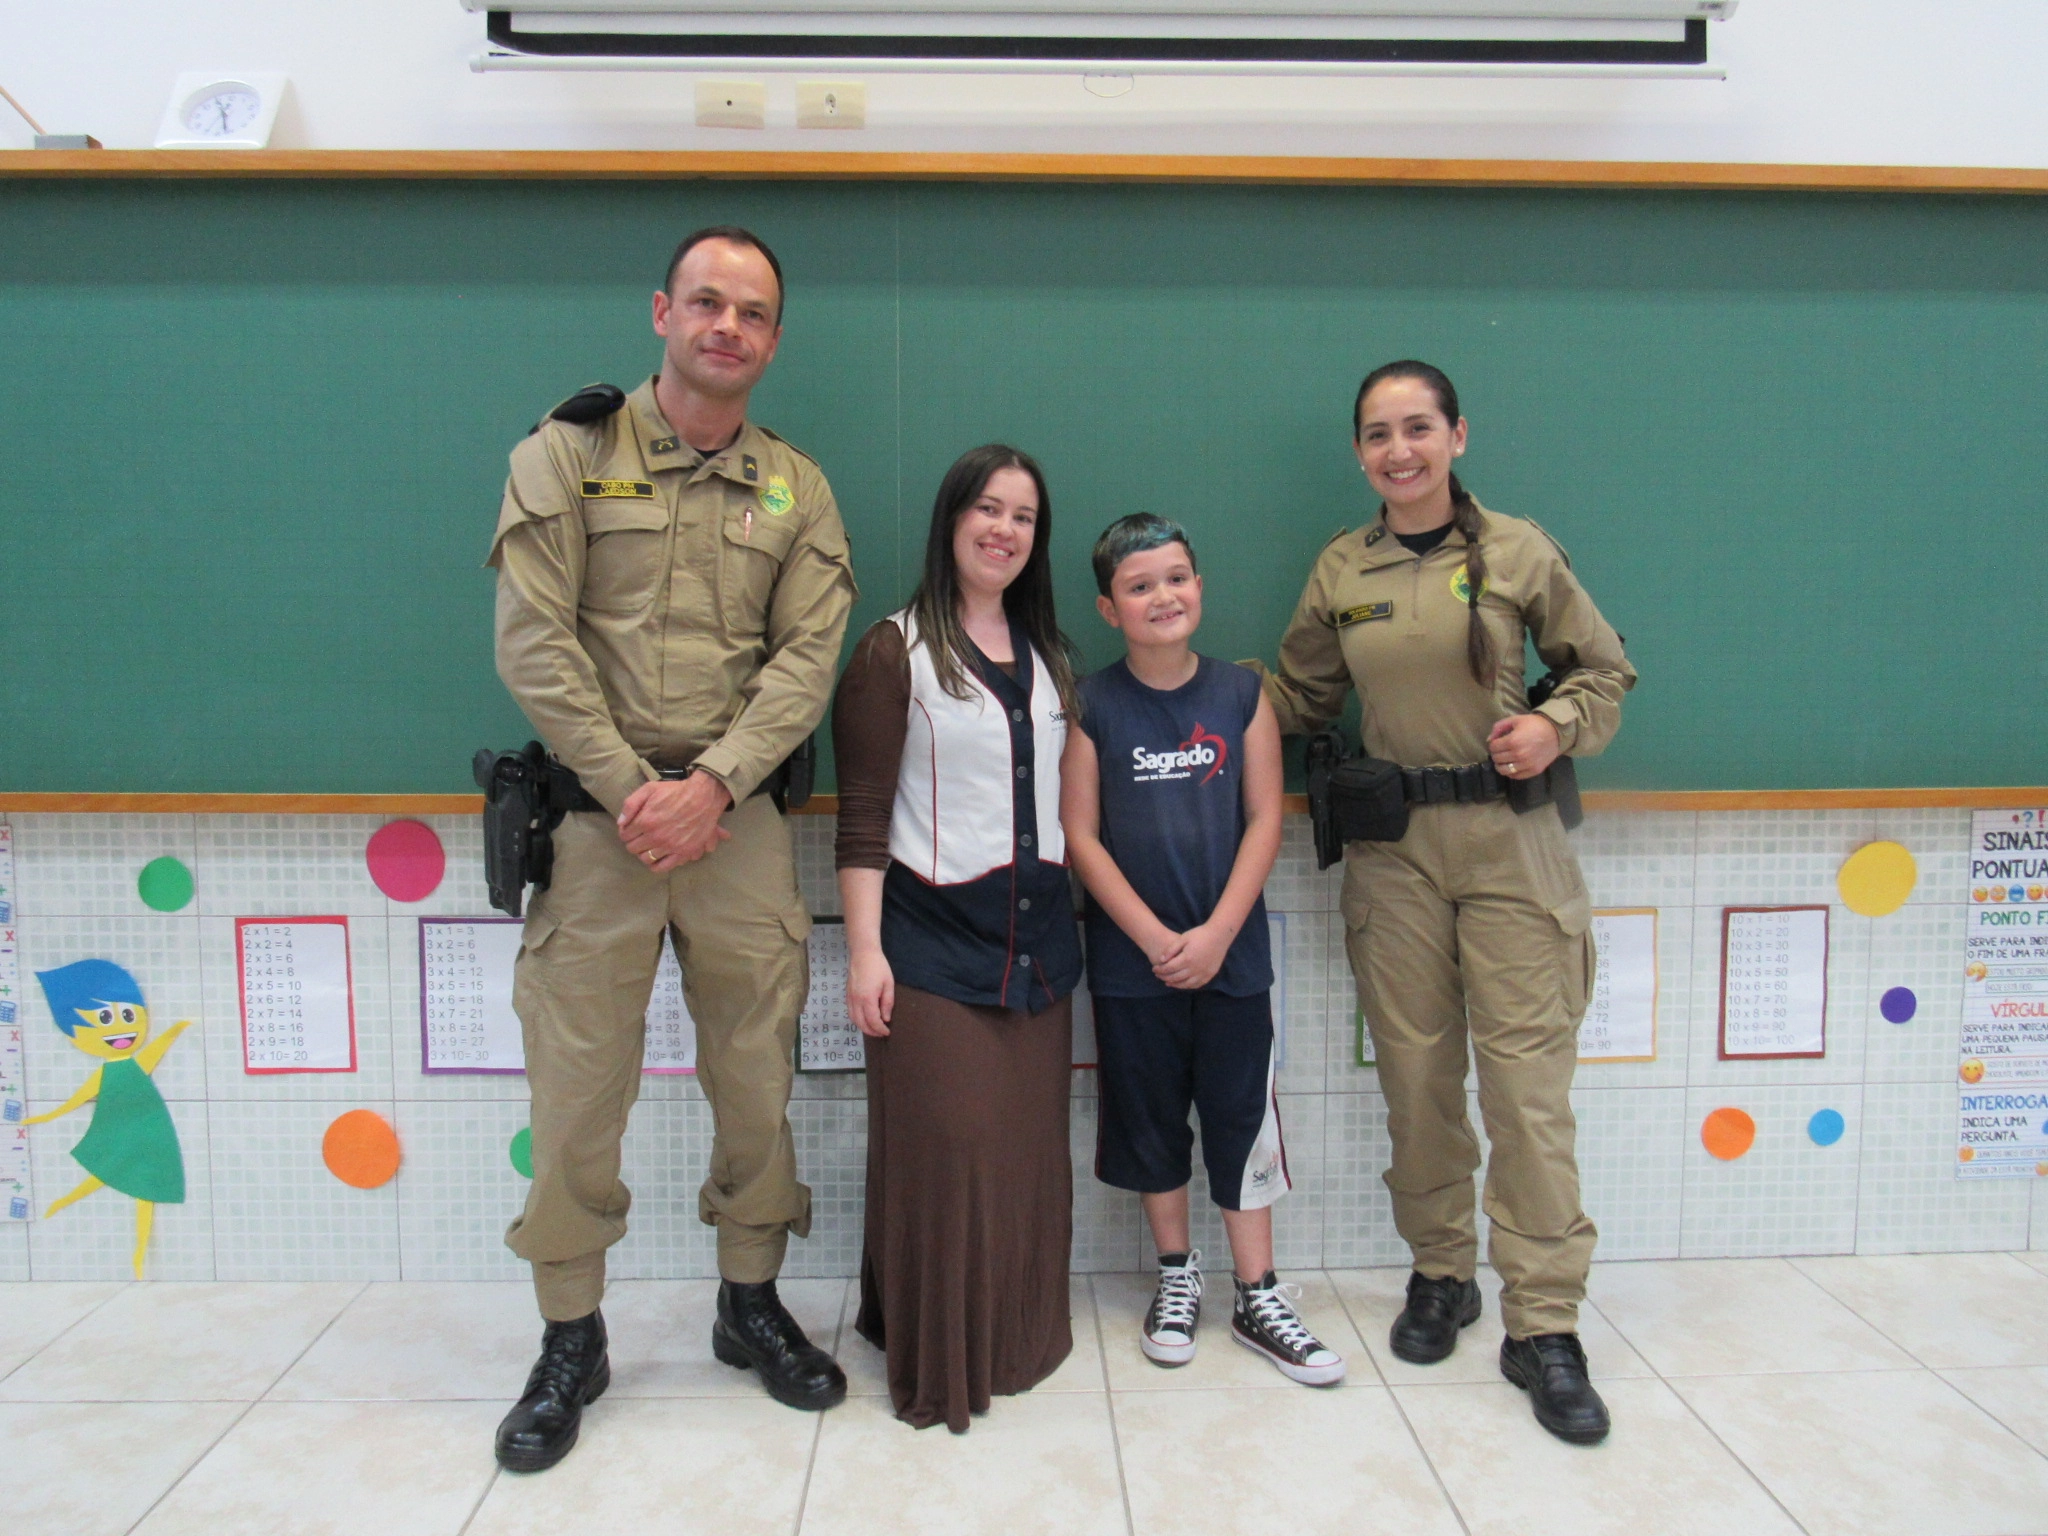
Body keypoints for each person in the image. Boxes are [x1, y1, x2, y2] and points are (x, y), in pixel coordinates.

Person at [487, 225, 856, 1471]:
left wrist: (710, 785)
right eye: (706, 302)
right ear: (660, 312)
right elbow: (533, 644)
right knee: (578, 1089)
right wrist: (635, 790)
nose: (726, 328)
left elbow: (806, 660)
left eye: (751, 312)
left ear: (772, 340)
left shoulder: (795, 490)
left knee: (755, 1081)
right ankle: (569, 1337)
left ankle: (747, 1302)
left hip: (738, 830)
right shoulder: (565, 457)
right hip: (597, 831)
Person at [1251, 360, 1635, 1445]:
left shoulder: (1517, 549)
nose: (1397, 450)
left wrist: (1554, 726)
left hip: (1513, 848)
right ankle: (1440, 1275)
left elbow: (1604, 673)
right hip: (1394, 853)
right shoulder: (1342, 566)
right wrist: (1180, 682)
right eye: (1376, 435)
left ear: (1456, 435)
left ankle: (1544, 1325)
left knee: (1525, 1095)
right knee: (1417, 1082)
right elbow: (1299, 695)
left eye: (1416, 428)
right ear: (1359, 453)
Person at [1062, 514, 1345, 1386]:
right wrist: (1152, 939)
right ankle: (1177, 1276)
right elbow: (1080, 832)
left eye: (1177, 577)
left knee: (1238, 1117)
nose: (1163, 596)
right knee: (1151, 1125)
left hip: (1234, 961)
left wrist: (1218, 934)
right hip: (1131, 969)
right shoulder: (1092, 703)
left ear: (1200, 586)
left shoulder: (1240, 694)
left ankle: (1258, 1292)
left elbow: (1265, 817)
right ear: (1110, 607)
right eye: (1140, 586)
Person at [832, 443, 1082, 1433]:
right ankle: (936, 1356)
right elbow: (859, 821)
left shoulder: (1053, 657)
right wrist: (863, 953)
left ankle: (1018, 1338)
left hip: (1040, 952)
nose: (1003, 530)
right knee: (950, 1154)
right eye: (986, 508)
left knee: (1022, 1160)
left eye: (1023, 515)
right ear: (950, 521)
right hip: (927, 949)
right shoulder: (891, 651)